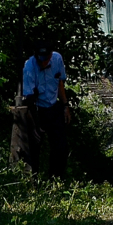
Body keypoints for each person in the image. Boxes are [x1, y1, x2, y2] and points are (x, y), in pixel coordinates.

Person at [20, 42, 70, 177]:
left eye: (46, 59)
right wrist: (36, 126)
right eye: (41, 60)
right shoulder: (29, 67)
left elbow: (60, 83)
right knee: (35, 146)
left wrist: (65, 106)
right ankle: (34, 180)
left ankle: (56, 178)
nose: (44, 63)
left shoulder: (57, 59)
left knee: (61, 147)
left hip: (54, 107)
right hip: (37, 109)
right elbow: (28, 99)